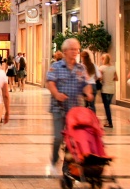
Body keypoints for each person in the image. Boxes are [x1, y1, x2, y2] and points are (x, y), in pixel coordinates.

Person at [46, 38, 93, 173]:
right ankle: (54, 158)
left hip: (76, 110)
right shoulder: (56, 66)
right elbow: (50, 82)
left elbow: (86, 84)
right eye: (72, 49)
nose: (75, 52)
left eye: (77, 49)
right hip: (59, 108)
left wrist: (88, 93)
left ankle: (68, 166)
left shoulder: (81, 68)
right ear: (65, 51)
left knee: (73, 138)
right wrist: (56, 94)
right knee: (58, 137)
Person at [99, 54, 117, 128]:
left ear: (103, 59)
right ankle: (108, 121)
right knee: (108, 106)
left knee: (107, 107)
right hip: (112, 89)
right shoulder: (113, 68)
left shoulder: (102, 68)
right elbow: (116, 78)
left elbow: (100, 78)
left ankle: (110, 122)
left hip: (105, 89)